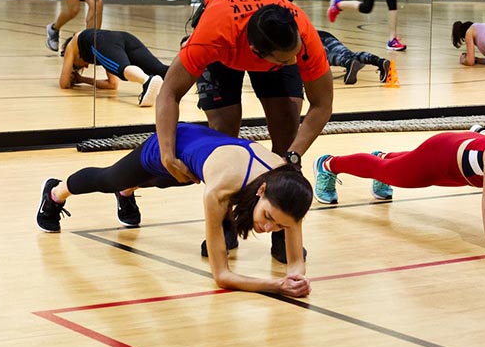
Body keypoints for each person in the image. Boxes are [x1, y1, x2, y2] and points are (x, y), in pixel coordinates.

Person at [156, 0, 337, 260]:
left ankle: (281, 229)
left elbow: (322, 104)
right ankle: (225, 222)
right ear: (255, 52)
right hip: (225, 42)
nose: (295, 61)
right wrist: (167, 154)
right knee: (223, 133)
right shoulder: (212, 36)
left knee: (287, 130)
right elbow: (169, 92)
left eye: (295, 54)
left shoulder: (302, 36)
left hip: (265, 43)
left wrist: (292, 157)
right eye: (286, 60)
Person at [35, 123, 313, 294]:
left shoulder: (288, 191)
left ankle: (129, 190)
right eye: (268, 218)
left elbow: (295, 263)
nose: (269, 228)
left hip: (201, 153)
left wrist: (296, 276)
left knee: (164, 183)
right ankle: (56, 192)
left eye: (279, 226)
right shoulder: (220, 190)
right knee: (109, 178)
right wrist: (277, 286)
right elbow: (222, 276)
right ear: (261, 191)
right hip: (170, 146)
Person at [313, 132, 485, 253]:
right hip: (441, 157)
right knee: (386, 172)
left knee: (395, 166)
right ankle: (328, 164)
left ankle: (386, 158)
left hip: (464, 173)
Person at [59, 29, 170, 107]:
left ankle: (146, 81)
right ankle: (185, 74)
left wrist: (74, 76)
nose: (87, 65)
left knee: (122, 69)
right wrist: (82, 79)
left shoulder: (72, 45)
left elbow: (64, 84)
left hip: (105, 41)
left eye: (79, 65)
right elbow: (112, 85)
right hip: (123, 37)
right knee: (159, 69)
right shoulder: (100, 50)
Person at [319, 30, 392, 85]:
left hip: (314, 39)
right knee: (348, 54)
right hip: (325, 35)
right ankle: (379, 61)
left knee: (322, 57)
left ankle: (348, 63)